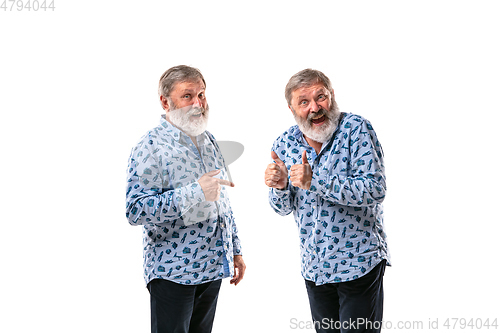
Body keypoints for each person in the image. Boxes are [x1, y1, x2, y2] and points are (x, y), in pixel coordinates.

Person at [265, 69, 390, 333]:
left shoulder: (356, 129)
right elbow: (282, 208)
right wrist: (279, 187)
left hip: (359, 263)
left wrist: (316, 181)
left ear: (331, 96)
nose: (315, 108)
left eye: (320, 97)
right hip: (315, 269)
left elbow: (375, 189)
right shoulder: (285, 143)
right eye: (304, 102)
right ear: (291, 108)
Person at [126, 65, 245, 333]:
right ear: (165, 102)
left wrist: (234, 249)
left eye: (201, 95)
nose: (198, 103)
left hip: (212, 268)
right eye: (187, 96)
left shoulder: (208, 140)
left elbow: (220, 199)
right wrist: (194, 192)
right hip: (173, 273)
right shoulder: (150, 147)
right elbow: (135, 210)